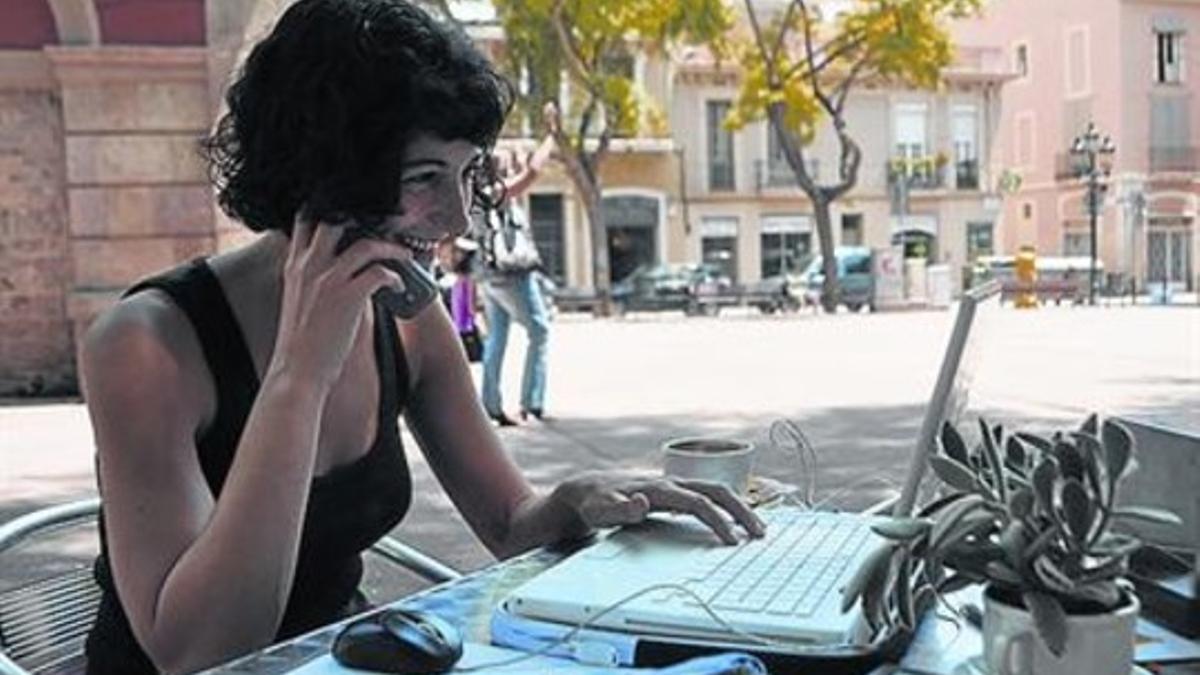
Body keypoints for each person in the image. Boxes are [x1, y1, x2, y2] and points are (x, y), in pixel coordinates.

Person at [77, 2, 764, 674]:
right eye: (425, 177)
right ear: (323, 173)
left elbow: (507, 522)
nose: (458, 216)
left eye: (467, 173)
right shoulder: (147, 346)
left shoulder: (407, 319)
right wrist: (300, 375)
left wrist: (573, 498)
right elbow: (196, 650)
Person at [478, 106, 558, 426]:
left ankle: (492, 404)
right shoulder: (497, 193)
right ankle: (532, 403)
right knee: (539, 330)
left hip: (489, 275)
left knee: (497, 336)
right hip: (511, 274)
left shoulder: (480, 194)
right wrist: (551, 133)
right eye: (509, 164)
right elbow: (535, 172)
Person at [436, 236, 484, 363]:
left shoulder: (461, 280)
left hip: (462, 322)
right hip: (463, 321)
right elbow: (470, 305)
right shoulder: (465, 280)